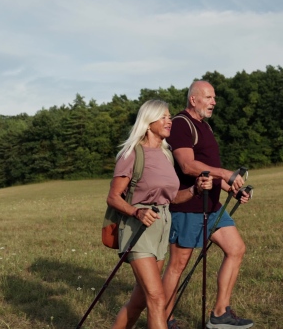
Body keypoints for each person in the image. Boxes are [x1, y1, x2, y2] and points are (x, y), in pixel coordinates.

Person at [107, 99, 213, 329]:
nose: (169, 121)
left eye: (169, 116)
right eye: (163, 117)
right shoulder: (132, 154)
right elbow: (113, 197)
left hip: (162, 228)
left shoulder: (167, 154)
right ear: (148, 122)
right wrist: (137, 211)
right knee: (157, 298)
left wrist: (195, 189)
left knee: (141, 300)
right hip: (138, 229)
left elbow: (172, 197)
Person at [162, 80, 253, 329]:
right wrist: (224, 173)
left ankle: (220, 313)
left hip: (212, 206)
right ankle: (163, 319)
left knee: (236, 249)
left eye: (214, 98)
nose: (214, 102)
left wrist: (232, 189)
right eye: (209, 97)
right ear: (194, 99)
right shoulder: (181, 124)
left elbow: (211, 173)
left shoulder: (205, 127)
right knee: (178, 265)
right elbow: (188, 166)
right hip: (189, 205)